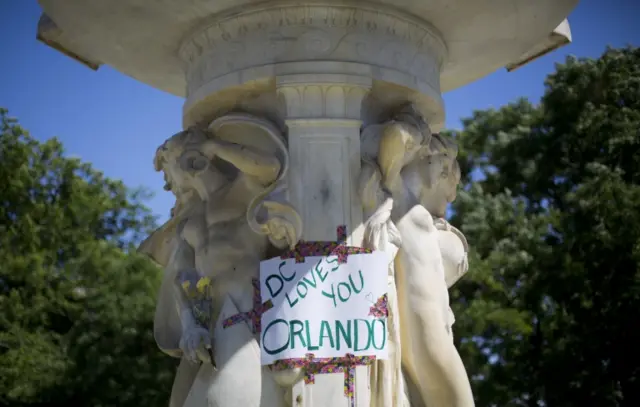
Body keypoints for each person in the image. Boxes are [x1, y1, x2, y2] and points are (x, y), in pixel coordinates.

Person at [139, 113, 302, 407]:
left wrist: (215, 147)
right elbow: (182, 278)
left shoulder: (242, 191)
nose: (171, 181)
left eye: (171, 169)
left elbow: (270, 168)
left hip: (248, 315)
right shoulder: (189, 219)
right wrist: (189, 324)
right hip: (208, 326)